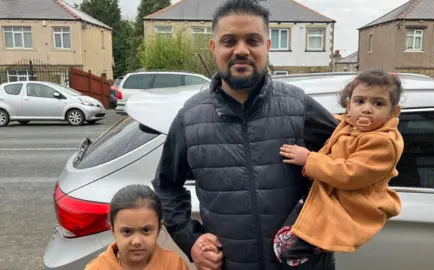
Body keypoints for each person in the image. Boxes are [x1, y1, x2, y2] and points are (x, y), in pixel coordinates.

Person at [151, 0, 338, 269]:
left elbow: (350, 164)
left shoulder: (299, 107)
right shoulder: (189, 119)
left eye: (252, 40)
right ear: (214, 48)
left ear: (268, 46)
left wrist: (332, 221)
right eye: (229, 41)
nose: (241, 50)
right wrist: (191, 241)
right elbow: (166, 187)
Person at [273, 70, 404, 267]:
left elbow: (349, 174)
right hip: (326, 196)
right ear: (348, 104)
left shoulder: (382, 142)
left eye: (378, 103)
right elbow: (336, 124)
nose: (367, 109)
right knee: (283, 245)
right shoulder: (348, 125)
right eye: (360, 101)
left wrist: (309, 159)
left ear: (393, 112)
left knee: (288, 248)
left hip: (349, 205)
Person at [84, 184, 189, 270]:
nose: (136, 241)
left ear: (159, 228)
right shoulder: (96, 268)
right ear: (113, 230)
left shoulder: (175, 265)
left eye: (146, 230)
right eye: (127, 231)